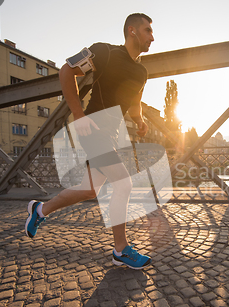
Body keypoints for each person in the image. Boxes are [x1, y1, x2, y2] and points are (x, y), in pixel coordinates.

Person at [24, 13, 155, 270]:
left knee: (90, 189)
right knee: (123, 183)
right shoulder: (103, 52)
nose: (152, 36)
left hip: (111, 135)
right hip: (93, 129)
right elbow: (66, 71)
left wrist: (140, 121)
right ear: (132, 31)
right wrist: (78, 114)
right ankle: (121, 250)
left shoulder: (142, 70)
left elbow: (135, 101)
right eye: (148, 30)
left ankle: (39, 210)